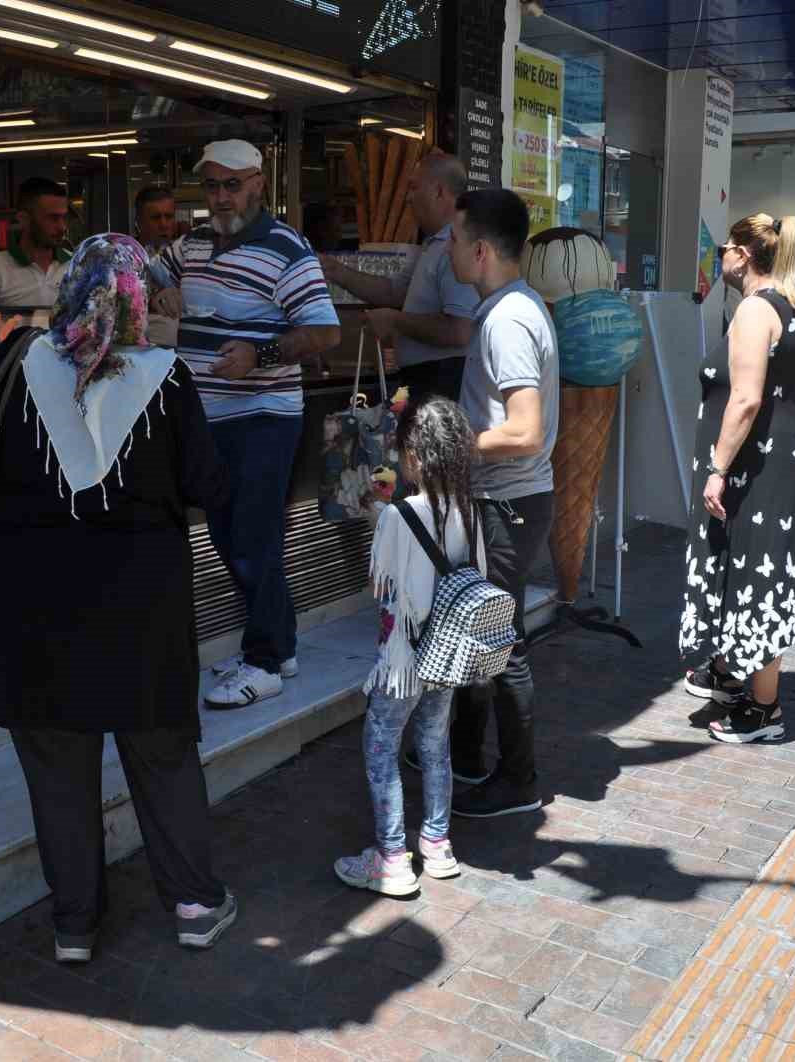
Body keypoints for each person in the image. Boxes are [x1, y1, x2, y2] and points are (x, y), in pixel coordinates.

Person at [0, 234, 238, 960]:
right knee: (163, 755)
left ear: (70, 291)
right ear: (141, 298)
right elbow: (208, 485)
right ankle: (195, 904)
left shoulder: (16, 361)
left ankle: (74, 925)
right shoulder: (167, 377)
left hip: (29, 605)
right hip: (139, 605)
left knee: (57, 768)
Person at [149, 139, 341, 709]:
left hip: (263, 416)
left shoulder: (287, 250)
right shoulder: (194, 244)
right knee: (231, 536)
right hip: (208, 417)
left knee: (253, 538)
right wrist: (162, 289)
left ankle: (265, 663)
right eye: (212, 185)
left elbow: (325, 332)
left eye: (233, 184)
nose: (222, 196)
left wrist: (260, 356)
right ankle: (278, 648)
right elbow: (143, 267)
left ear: (258, 183)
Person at [436, 187, 558, 819]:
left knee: (498, 643)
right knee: (478, 634)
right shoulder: (514, 308)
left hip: (508, 505)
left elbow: (524, 429)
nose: (449, 250)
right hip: (507, 502)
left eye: (455, 240)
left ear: (480, 250)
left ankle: (518, 780)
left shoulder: (508, 320)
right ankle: (463, 757)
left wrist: (447, 447)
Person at [334, 398, 482, 895]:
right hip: (446, 654)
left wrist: (378, 518)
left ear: (414, 455)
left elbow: (382, 590)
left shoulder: (399, 515)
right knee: (435, 743)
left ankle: (392, 858)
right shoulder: (471, 510)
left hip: (402, 659)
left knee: (381, 745)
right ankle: (437, 845)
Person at [680, 213, 795, 744]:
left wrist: (717, 467)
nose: (721, 259)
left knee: (754, 567)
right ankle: (733, 674)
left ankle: (764, 710)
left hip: (748, 466)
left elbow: (745, 398)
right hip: (780, 458)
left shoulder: (756, 310)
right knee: (755, 563)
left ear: (743, 254)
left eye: (725, 250)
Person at [322, 153, 479, 401]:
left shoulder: (458, 245)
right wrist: (336, 271)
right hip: (424, 380)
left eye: (414, 187)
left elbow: (459, 331)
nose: (408, 198)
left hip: (444, 381)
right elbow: (395, 292)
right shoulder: (433, 244)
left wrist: (395, 320)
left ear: (439, 192)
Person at [0, 177, 72, 363]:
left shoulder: (76, 265)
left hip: (64, 376)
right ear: (24, 219)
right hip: (15, 374)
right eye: (52, 218)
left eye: (63, 217)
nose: (62, 227)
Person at [135, 186, 177, 254]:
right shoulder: (122, 257)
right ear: (139, 221)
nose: (164, 225)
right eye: (155, 218)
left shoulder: (185, 255)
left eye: (169, 217)